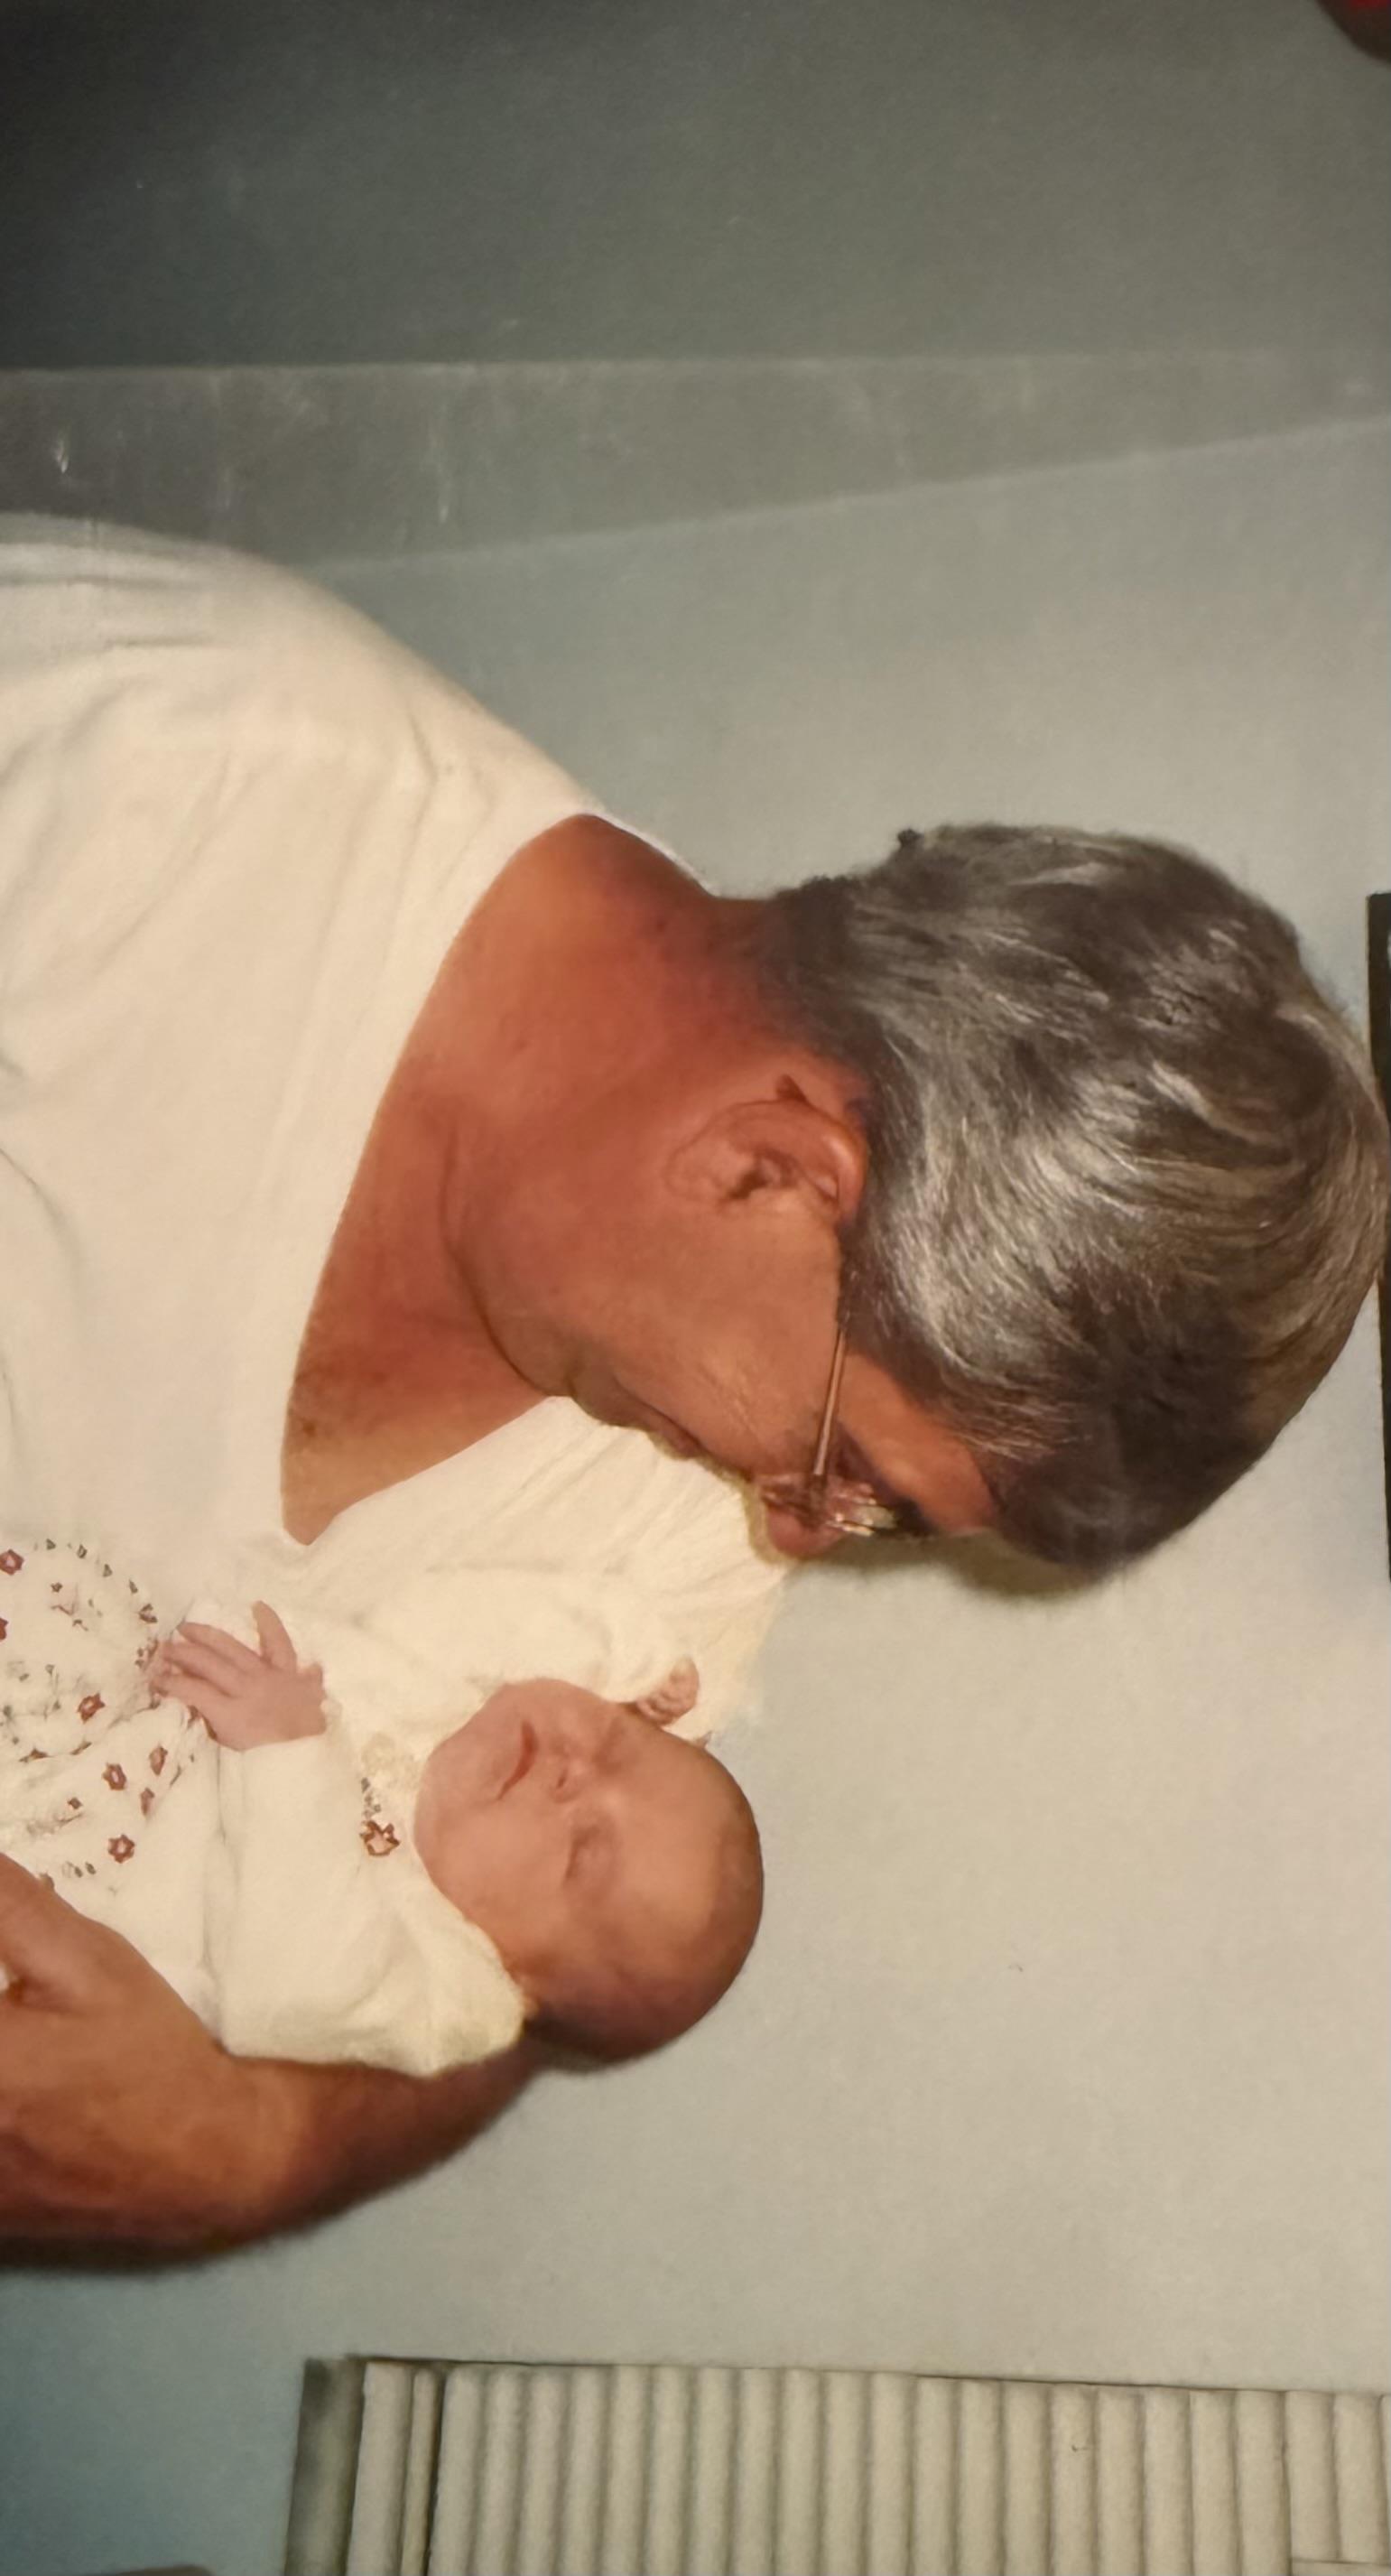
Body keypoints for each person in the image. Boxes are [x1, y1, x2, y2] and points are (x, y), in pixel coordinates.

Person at [0, 516, 1385, 2252]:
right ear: (774, 1169)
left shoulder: (686, 1538)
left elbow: (536, 1974)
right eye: (850, 1461)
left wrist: (251, 2143)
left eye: (875, 1526)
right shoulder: (147, 769)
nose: (798, 1532)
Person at [0, 1530, 759, 2074]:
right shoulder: (440, 1692)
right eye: (610, 1742)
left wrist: (286, 1752)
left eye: (584, 1847)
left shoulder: (452, 1993)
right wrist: (637, 1649)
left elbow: (297, 1993)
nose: (574, 1775)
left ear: (525, 1977)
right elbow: (484, 1614)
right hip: (102, 1689)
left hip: (92, 1882)